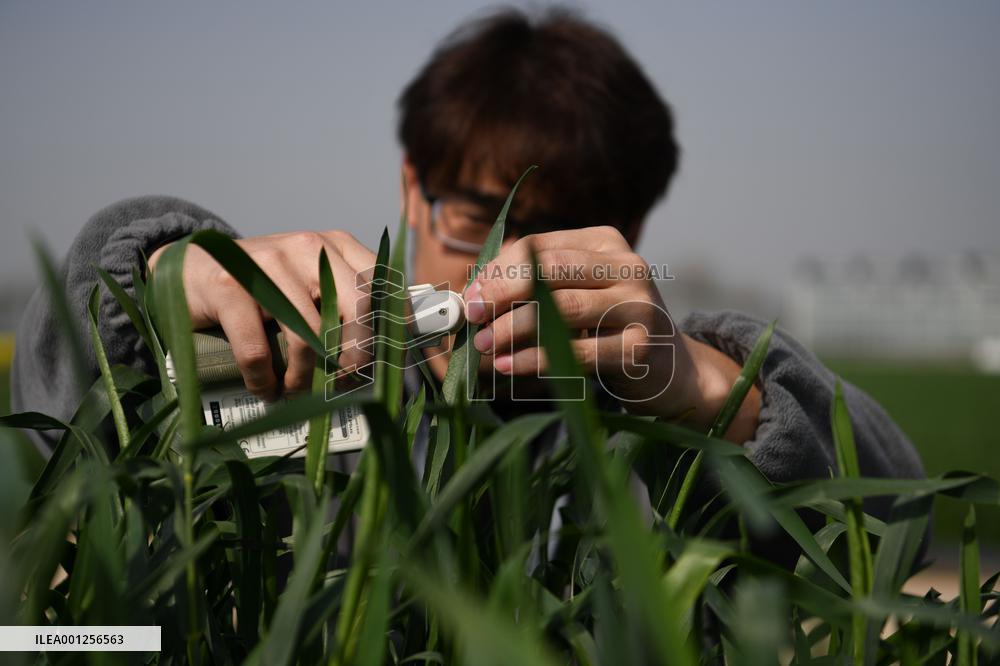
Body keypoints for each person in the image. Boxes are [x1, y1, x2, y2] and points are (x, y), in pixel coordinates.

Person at [11, 8, 923, 509]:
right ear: (413, 188)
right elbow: (62, 420)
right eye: (481, 217)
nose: (515, 260)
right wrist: (161, 277)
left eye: (570, 232)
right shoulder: (302, 363)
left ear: (628, 238)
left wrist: (716, 395)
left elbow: (898, 508)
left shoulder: (642, 410)